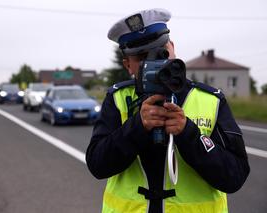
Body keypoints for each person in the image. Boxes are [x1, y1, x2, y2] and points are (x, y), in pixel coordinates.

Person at [86, 8, 250, 213]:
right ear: (128, 65)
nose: (155, 63)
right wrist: (136, 127)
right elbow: (98, 166)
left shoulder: (211, 101)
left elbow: (235, 177)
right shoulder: (117, 99)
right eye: (142, 57)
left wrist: (189, 135)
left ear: (172, 48)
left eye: (162, 52)